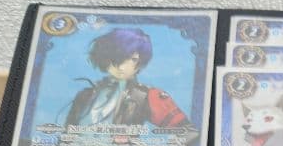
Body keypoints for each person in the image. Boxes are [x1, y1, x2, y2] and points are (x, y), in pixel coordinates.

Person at [65, 27, 194, 133]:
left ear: (140, 62)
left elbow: (189, 133)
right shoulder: (85, 95)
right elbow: (66, 138)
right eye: (117, 58)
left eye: (133, 60)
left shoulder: (147, 96)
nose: (122, 67)